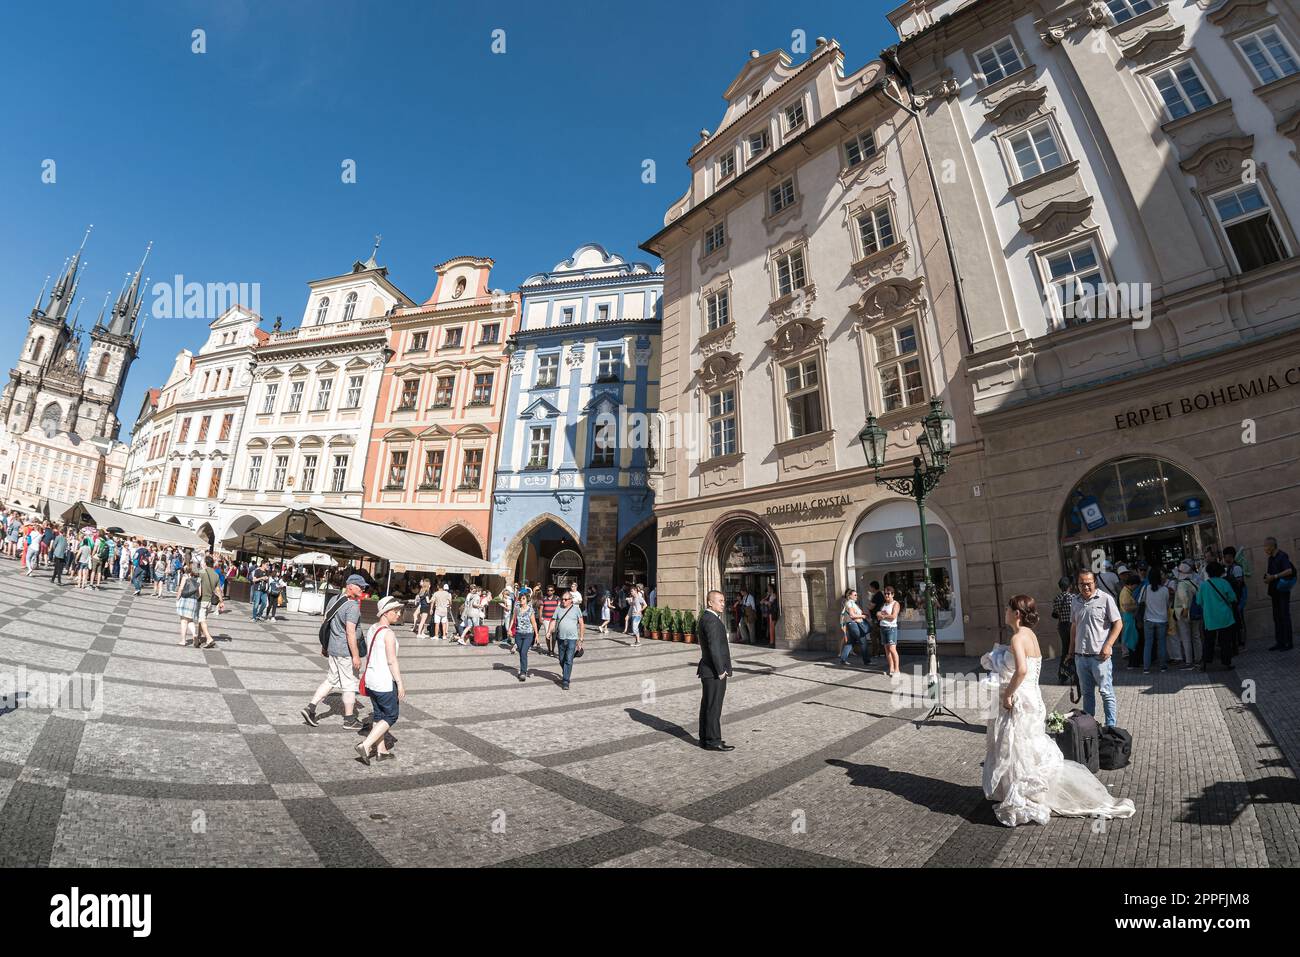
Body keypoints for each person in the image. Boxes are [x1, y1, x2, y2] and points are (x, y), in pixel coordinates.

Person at [983, 594, 1136, 827]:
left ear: (1016, 614)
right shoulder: (1030, 635)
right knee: (1028, 744)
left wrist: (1006, 694)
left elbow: (1022, 670)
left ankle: (1025, 793)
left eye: (1007, 608)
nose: (1004, 611)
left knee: (1018, 745)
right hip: (1033, 698)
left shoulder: (1017, 638)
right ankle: (1026, 788)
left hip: (1020, 700)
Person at [302, 575, 367, 729]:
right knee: (350, 685)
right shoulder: (352, 606)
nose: (363, 589)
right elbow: (350, 633)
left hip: (333, 649)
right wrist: (356, 656)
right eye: (360, 586)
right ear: (350, 586)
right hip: (345, 652)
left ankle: (310, 708)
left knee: (331, 680)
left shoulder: (335, 599)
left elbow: (327, 622)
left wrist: (325, 646)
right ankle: (350, 719)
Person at [355, 595, 407, 766]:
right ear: (385, 612)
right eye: (395, 611)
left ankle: (381, 750)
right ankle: (366, 745)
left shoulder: (372, 628)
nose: (398, 614)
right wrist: (399, 683)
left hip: (370, 679)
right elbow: (392, 661)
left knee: (379, 714)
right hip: (383, 680)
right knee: (391, 715)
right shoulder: (388, 634)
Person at [1067, 569, 1122, 728]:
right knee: (1087, 695)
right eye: (1081, 584)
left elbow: (1118, 623)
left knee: (1106, 693)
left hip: (1100, 657)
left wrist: (1109, 644)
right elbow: (1074, 626)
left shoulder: (1105, 599)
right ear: (1077, 585)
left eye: (1088, 584)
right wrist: (1071, 651)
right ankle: (1088, 728)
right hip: (1081, 657)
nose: (1085, 587)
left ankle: (1111, 727)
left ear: (1095, 583)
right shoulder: (1075, 601)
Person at [697, 589, 733, 752]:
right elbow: (714, 647)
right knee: (713, 706)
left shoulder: (708, 618)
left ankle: (705, 738)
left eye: (724, 601)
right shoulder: (711, 620)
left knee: (708, 705)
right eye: (720, 601)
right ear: (710, 602)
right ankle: (713, 740)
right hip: (713, 671)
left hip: (709, 670)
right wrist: (721, 670)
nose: (723, 604)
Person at [1198, 561, 1240, 669]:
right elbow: (1232, 598)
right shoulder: (1224, 583)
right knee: (1225, 641)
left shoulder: (1203, 586)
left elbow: (1199, 601)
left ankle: (1206, 663)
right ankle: (1226, 663)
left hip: (1210, 618)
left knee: (1208, 641)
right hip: (1225, 617)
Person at [1263, 537, 1294, 651]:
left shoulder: (1282, 555)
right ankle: (1280, 642)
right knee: (1277, 617)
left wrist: (1275, 576)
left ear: (1271, 546)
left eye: (1265, 546)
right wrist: (1267, 578)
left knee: (1284, 616)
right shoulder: (1270, 558)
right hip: (1274, 591)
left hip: (1283, 591)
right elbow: (1271, 573)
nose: (1264, 548)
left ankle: (1288, 643)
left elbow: (1289, 570)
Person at [1141, 566, 1173, 674]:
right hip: (1162, 620)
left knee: (1148, 644)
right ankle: (1163, 666)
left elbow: (1141, 602)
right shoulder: (1165, 590)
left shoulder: (1146, 588)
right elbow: (1167, 604)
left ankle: (1146, 667)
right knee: (1162, 643)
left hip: (1148, 620)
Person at [552, 590, 584, 690]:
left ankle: (566, 681)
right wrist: (549, 631)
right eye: (562, 599)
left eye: (566, 599)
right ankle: (565, 671)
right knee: (561, 659)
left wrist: (581, 638)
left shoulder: (576, 609)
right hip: (561, 637)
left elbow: (581, 623)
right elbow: (553, 620)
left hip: (572, 638)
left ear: (571, 600)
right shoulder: (558, 608)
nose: (563, 601)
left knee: (569, 660)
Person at [1172, 563, 1199, 669]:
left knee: (1186, 638)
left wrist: (1185, 609)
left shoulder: (1181, 584)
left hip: (1184, 614)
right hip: (1195, 613)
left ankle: (1189, 662)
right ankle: (1198, 658)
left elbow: (1184, 598)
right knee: (1196, 636)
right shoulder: (1194, 583)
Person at [837, 587, 869, 667]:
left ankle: (843, 660)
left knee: (850, 643)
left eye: (856, 595)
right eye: (854, 595)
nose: (856, 596)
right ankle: (867, 661)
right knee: (863, 641)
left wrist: (863, 614)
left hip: (852, 624)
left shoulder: (853, 603)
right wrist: (863, 616)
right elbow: (852, 615)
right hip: (854, 624)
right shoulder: (849, 603)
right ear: (849, 596)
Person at [512, 592, 539, 681]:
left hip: (528, 634)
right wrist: (509, 629)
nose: (521, 600)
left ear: (527, 599)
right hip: (518, 634)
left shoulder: (530, 610)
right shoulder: (517, 608)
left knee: (523, 652)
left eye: (523, 598)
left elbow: (534, 622)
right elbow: (513, 619)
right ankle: (523, 668)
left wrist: (537, 635)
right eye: (520, 598)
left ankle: (523, 672)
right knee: (521, 653)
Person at [176, 561, 201, 646]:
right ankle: (195, 634)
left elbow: (181, 589)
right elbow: (199, 593)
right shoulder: (198, 579)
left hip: (185, 599)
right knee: (190, 620)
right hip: (193, 601)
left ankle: (183, 640)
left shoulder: (185, 576)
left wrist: (177, 598)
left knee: (183, 621)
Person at [878, 585, 901, 677]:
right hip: (883, 627)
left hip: (891, 628)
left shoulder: (895, 604)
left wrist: (883, 616)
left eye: (888, 594)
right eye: (885, 594)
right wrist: (882, 615)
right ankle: (891, 668)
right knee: (887, 650)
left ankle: (897, 669)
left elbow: (893, 616)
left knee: (892, 649)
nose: (886, 595)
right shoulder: (884, 604)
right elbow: (878, 614)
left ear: (893, 594)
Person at [540, 585, 560, 654]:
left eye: (551, 590)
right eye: (548, 590)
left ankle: (552, 650)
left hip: (554, 620)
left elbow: (559, 608)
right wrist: (540, 617)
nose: (549, 592)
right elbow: (541, 608)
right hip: (546, 619)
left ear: (553, 591)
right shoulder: (544, 598)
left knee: (554, 636)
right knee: (547, 635)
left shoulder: (557, 598)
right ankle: (549, 649)